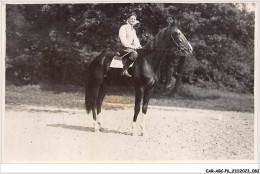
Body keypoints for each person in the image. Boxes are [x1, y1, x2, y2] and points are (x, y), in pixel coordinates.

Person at [118, 12, 142, 77]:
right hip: (123, 49)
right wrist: (131, 46)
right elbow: (123, 39)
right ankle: (124, 70)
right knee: (134, 54)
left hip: (130, 49)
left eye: (134, 19)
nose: (133, 20)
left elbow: (135, 40)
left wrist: (139, 45)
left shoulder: (133, 30)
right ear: (128, 19)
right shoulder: (123, 27)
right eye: (131, 18)